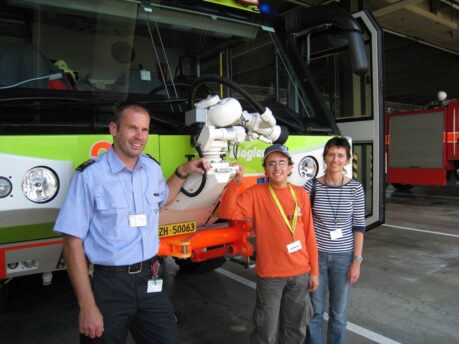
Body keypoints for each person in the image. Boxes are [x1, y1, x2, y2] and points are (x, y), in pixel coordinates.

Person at [54, 102, 211, 344]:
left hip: (150, 278)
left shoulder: (151, 168)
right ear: (114, 129)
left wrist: (183, 171)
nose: (140, 137)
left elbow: (162, 198)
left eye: (145, 130)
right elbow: (72, 241)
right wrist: (87, 306)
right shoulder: (89, 176)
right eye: (132, 128)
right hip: (109, 286)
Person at [219, 144, 319, 344]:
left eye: (282, 163)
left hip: (300, 273)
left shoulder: (300, 194)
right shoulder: (257, 193)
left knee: (295, 329)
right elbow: (227, 212)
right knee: (265, 330)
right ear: (265, 168)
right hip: (271, 275)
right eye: (271, 163)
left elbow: (309, 234)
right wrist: (236, 183)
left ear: (290, 167)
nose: (277, 168)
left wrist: (314, 271)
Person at [304, 137, 365, 344]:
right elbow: (301, 222)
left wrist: (356, 260)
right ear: (324, 157)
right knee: (315, 310)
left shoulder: (355, 188)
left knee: (338, 313)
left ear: (347, 160)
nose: (335, 159)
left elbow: (359, 226)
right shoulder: (310, 187)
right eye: (331, 154)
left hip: (344, 258)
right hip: (316, 257)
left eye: (340, 155)